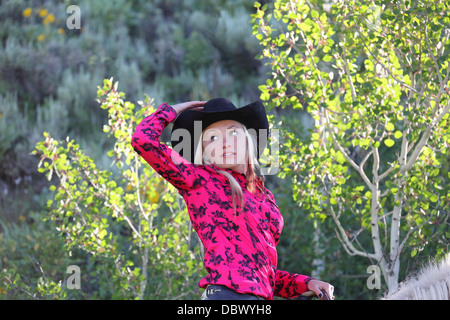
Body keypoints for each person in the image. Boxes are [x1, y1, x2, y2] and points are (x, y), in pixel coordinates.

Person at [131, 98, 334, 300]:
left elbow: (262, 275)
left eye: (233, 132)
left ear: (248, 139)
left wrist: (306, 283)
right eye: (212, 137)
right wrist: (176, 109)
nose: (225, 143)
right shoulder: (199, 180)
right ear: (205, 152)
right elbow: (142, 140)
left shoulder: (263, 197)